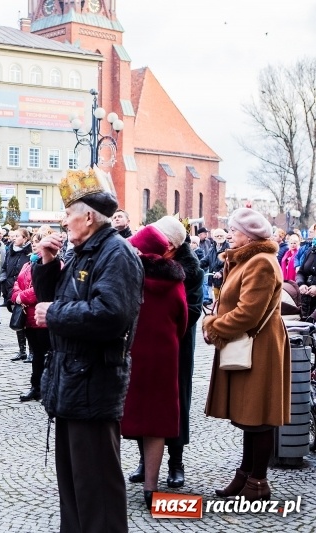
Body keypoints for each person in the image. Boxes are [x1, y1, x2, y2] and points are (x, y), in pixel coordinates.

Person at [32, 167, 143, 533]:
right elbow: (57, 298)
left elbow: (112, 316)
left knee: (97, 488)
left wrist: (56, 313)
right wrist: (47, 265)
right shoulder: (83, 251)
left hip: (94, 382)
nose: (64, 222)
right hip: (71, 381)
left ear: (89, 217)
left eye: (68, 214)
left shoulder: (117, 254)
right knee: (75, 485)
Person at [203, 208, 290, 502]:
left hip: (261, 347)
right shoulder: (246, 260)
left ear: (249, 236)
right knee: (248, 416)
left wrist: (214, 327)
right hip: (249, 345)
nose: (229, 234)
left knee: (259, 416)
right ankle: (246, 475)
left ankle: (257, 482)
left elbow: (248, 313)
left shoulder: (262, 263)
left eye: (234, 230)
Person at [121, 225, 187, 509]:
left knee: (121, 415)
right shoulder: (174, 281)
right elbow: (182, 320)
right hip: (164, 356)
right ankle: (151, 487)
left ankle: (107, 480)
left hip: (129, 353)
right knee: (157, 422)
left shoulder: (126, 277)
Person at [138, 216, 204, 489]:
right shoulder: (145, 264)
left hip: (177, 344)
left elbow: (192, 311)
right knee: (144, 402)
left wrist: (163, 322)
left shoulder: (192, 271)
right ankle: (145, 461)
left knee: (177, 403)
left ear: (171, 245)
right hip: (146, 344)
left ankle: (176, 462)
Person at [11, 228, 51, 402]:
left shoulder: (52, 265)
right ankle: (36, 387)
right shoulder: (28, 264)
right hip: (28, 317)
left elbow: (43, 289)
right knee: (36, 355)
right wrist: (17, 296)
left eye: (39, 240)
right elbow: (16, 285)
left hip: (43, 318)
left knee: (46, 355)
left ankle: (47, 387)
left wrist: (21, 296)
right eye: (34, 241)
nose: (35, 244)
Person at [0, 228, 32, 361]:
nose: (14, 238)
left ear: (25, 239)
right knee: (17, 320)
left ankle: (32, 351)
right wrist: (3, 281)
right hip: (12, 290)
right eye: (14, 236)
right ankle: (22, 350)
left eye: (18, 236)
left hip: (25, 291)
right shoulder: (10, 251)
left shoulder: (30, 253)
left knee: (28, 322)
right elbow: (4, 268)